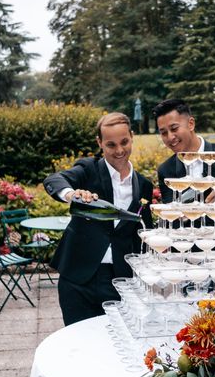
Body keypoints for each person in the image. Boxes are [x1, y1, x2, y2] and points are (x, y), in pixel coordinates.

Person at [44, 112, 154, 325]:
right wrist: (71, 195)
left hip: (120, 279)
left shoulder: (144, 185)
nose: (119, 150)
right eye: (111, 145)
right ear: (100, 143)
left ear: (132, 137)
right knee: (79, 342)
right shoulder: (88, 169)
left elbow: (143, 233)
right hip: (78, 279)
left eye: (124, 142)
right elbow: (54, 179)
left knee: (116, 342)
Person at [153, 99, 215, 211]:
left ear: (191, 124)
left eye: (174, 128)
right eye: (163, 133)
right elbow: (172, 215)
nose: (170, 137)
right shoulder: (166, 170)